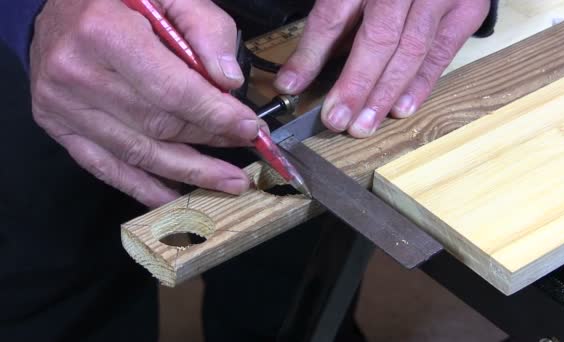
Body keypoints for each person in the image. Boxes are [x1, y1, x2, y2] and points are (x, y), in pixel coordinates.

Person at [0, 0, 497, 340]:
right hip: (68, 47)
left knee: (293, 296)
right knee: (48, 293)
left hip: (324, 31)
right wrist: (33, 11)